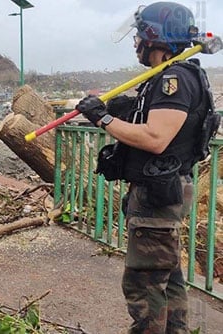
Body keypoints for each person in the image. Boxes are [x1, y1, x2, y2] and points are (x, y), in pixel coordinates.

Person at [75, 2, 219, 333]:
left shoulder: (174, 79)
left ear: (155, 38)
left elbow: (156, 138)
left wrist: (103, 118)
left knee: (144, 288)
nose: (136, 41)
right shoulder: (168, 77)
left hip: (158, 195)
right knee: (167, 281)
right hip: (158, 191)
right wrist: (120, 112)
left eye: (140, 34)